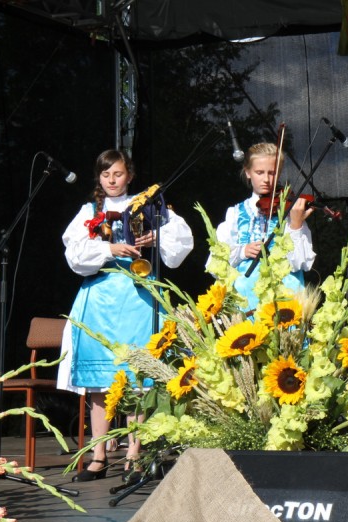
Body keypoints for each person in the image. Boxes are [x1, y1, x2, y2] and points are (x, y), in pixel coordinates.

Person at [57, 149, 194, 482]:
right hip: (100, 297)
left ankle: (135, 452)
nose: (112, 180)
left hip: (138, 297)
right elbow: (73, 253)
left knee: (138, 379)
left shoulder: (147, 205)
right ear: (99, 178)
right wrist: (109, 249)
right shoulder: (90, 211)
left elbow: (181, 244)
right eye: (106, 175)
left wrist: (156, 237)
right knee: (99, 384)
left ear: (129, 175)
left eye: (118, 174)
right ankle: (99, 455)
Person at [214, 142, 315, 311]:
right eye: (259, 172)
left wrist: (296, 225)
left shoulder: (290, 211)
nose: (266, 180)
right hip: (247, 298)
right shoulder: (235, 213)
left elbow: (300, 264)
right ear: (247, 172)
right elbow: (216, 265)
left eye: (272, 173)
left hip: (286, 300)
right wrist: (242, 251)